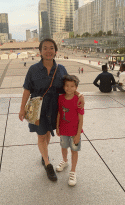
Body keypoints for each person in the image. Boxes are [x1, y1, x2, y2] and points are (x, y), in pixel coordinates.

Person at [19, 38, 84, 182]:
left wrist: (80, 95)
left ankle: (44, 155)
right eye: (45, 48)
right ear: (40, 51)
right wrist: (22, 109)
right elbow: (27, 89)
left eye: (51, 48)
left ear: (55, 51)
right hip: (38, 109)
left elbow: (69, 87)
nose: (48, 51)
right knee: (41, 135)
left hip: (55, 109)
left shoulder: (60, 69)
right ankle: (48, 164)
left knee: (48, 133)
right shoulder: (33, 69)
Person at [56, 75, 84, 186]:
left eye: (72, 86)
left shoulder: (78, 100)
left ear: (76, 87)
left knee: (74, 150)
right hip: (63, 129)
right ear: (63, 87)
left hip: (74, 132)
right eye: (67, 86)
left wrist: (78, 134)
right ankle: (65, 161)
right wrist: (57, 126)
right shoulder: (61, 98)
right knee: (63, 147)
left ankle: (73, 171)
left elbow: (81, 118)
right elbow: (59, 113)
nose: (69, 88)